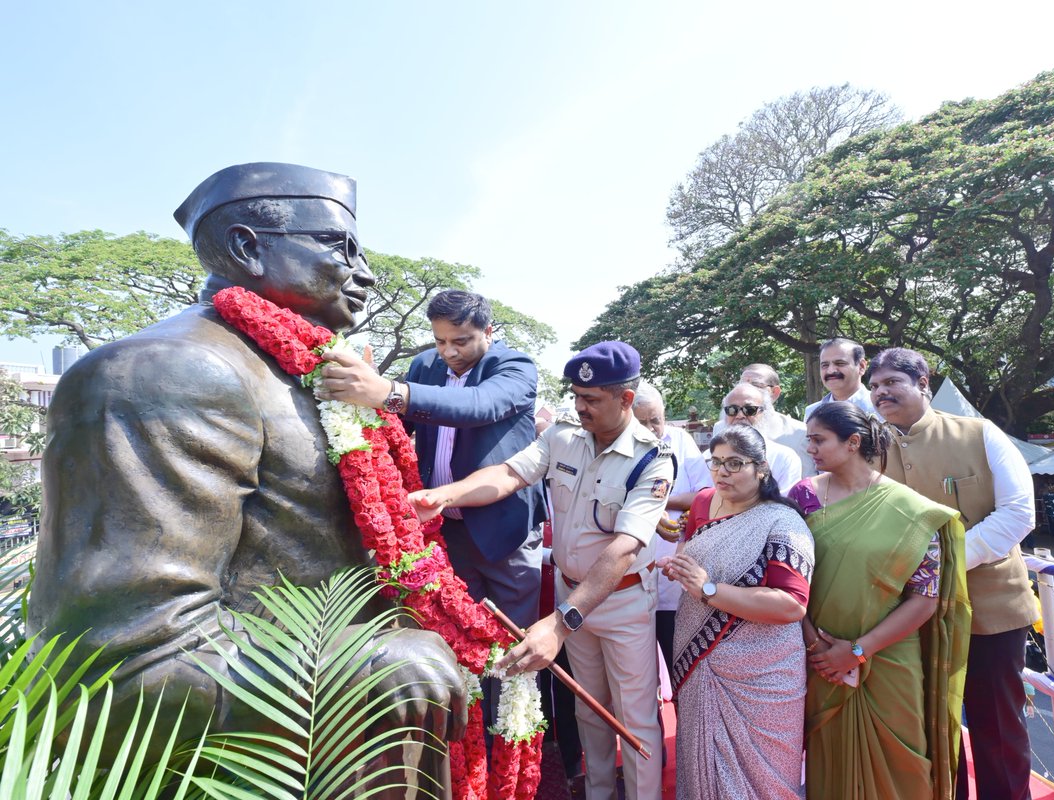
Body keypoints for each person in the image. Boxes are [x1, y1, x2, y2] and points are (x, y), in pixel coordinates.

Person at [26, 163, 466, 796]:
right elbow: (119, 658)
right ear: (245, 247)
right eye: (339, 246)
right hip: (257, 768)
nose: (366, 272)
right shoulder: (166, 371)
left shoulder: (304, 369)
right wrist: (355, 667)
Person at [405, 341, 671, 800]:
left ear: (626, 399)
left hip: (621, 601)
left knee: (636, 717)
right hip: (572, 597)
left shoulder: (653, 458)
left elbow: (623, 550)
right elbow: (508, 474)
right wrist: (445, 496)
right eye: (575, 396)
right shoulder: (563, 436)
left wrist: (561, 622)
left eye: (592, 399)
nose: (579, 406)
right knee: (589, 713)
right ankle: (598, 794)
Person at [317, 289, 546, 628]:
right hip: (442, 525)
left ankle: (517, 686)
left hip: (503, 531)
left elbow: (478, 405)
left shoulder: (515, 367)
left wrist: (388, 392)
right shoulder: (425, 365)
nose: (449, 352)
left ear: (489, 332)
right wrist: (364, 402)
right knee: (456, 629)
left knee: (513, 639)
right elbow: (397, 426)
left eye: (461, 341)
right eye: (440, 341)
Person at [867, 347, 1038, 800]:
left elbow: (1019, 514)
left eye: (891, 383)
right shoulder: (870, 449)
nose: (880, 393)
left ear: (923, 383)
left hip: (991, 606)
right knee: (930, 726)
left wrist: (940, 563)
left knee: (997, 724)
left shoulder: (980, 434)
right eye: (874, 387)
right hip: (910, 613)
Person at [788, 401, 969, 800]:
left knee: (900, 759)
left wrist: (856, 651)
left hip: (889, 658)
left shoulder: (911, 510)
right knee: (828, 755)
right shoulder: (803, 498)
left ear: (853, 442)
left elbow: (926, 597)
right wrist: (815, 645)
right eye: (808, 441)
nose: (810, 450)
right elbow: (789, 579)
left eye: (819, 440)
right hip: (818, 655)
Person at [661, 425, 812, 800]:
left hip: (762, 673)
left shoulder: (782, 521)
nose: (721, 472)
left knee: (764, 779)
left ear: (761, 468)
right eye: (715, 462)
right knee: (701, 769)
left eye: (734, 463)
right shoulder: (702, 503)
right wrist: (680, 567)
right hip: (700, 661)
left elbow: (792, 603)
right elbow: (700, 556)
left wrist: (708, 589)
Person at [632, 381, 712, 667]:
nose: (653, 428)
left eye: (657, 420)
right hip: (632, 574)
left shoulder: (679, 440)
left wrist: (655, 501)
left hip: (675, 572)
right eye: (643, 422)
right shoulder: (622, 445)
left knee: (675, 656)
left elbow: (704, 495)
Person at [718, 382, 812, 489]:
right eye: (732, 410)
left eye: (749, 410)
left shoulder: (783, 457)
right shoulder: (709, 458)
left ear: (764, 413)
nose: (740, 416)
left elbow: (785, 502)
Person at [803, 337, 876, 420]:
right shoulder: (812, 412)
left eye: (840, 363)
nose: (830, 371)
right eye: (825, 365)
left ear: (861, 366)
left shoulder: (880, 406)